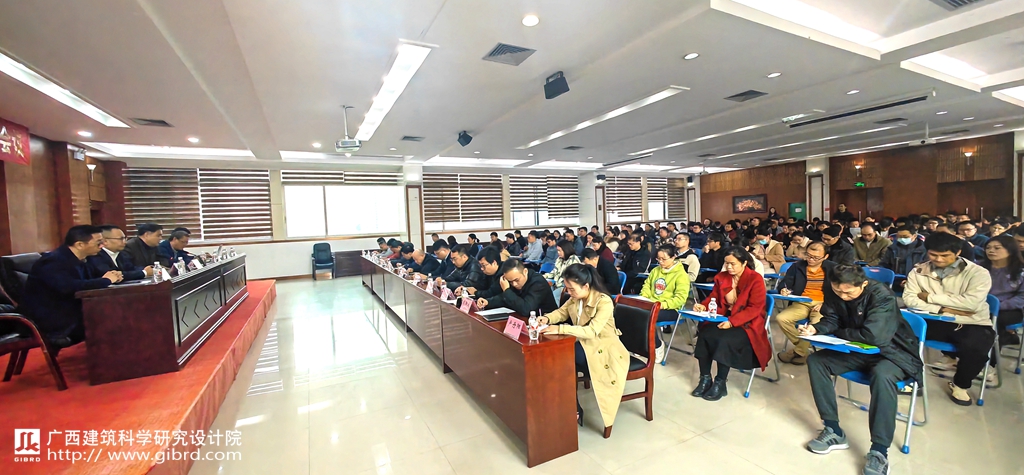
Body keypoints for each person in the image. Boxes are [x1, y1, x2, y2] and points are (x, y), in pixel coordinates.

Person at [800, 265, 923, 475]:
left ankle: (879, 451)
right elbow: (832, 318)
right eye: (838, 291)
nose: (842, 296)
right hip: (858, 350)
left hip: (892, 352)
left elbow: (875, 337)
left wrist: (840, 332)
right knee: (817, 361)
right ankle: (833, 430)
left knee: (882, 375)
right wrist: (816, 328)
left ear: (864, 284)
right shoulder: (834, 289)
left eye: (848, 292)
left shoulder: (882, 295)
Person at [903, 232, 994, 405]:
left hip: (971, 322)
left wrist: (929, 297)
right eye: (933, 254)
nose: (938, 259)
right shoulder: (919, 271)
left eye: (945, 255)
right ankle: (909, 378)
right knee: (897, 332)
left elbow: (971, 304)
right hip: (933, 319)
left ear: (958, 252)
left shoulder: (978, 273)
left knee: (977, 345)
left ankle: (960, 385)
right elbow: (910, 299)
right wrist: (943, 308)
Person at [537, 264, 628, 429]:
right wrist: (547, 319)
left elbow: (592, 331)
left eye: (572, 289)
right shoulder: (575, 298)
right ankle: (569, 404)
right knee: (558, 356)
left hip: (605, 348)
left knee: (562, 358)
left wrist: (560, 329)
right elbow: (562, 312)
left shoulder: (603, 301)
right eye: (567, 288)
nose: (568, 292)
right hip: (585, 343)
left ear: (586, 286)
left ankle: (571, 407)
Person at [18, 225, 123, 347]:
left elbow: (92, 280)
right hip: (53, 317)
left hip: (73, 310)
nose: (102, 246)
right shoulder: (54, 261)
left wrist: (112, 277)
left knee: (119, 314)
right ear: (80, 245)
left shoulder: (84, 259)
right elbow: (69, 287)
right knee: (111, 320)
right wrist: (106, 280)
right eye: (99, 242)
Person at [690, 247, 770, 401]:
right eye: (726, 263)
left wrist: (732, 322)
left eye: (733, 264)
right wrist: (703, 306)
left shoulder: (755, 279)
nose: (729, 267)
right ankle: (705, 378)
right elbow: (714, 297)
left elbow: (755, 308)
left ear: (744, 263)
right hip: (725, 317)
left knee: (724, 339)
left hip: (747, 323)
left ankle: (720, 382)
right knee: (705, 334)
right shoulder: (722, 277)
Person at [776, 242, 835, 365]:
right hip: (802, 302)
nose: (811, 259)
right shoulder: (797, 266)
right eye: (808, 255)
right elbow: (785, 282)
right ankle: (803, 349)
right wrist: (783, 289)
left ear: (826, 256)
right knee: (782, 318)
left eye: (816, 258)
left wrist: (826, 304)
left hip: (823, 304)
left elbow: (839, 292)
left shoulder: (833, 268)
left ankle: (798, 351)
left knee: (815, 325)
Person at [640, 245, 691, 363]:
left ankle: (657, 346)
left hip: (671, 309)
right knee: (632, 312)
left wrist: (661, 305)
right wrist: (644, 298)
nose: (661, 262)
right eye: (658, 259)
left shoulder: (681, 275)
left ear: (673, 257)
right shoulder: (655, 270)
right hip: (652, 305)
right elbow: (646, 286)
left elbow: (680, 299)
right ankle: (641, 346)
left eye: (664, 259)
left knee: (646, 317)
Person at [980, 235, 1024, 346]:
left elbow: (1021, 297)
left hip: (1009, 309)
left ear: (1010, 250)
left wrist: (999, 305)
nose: (991, 251)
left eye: (997, 248)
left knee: (993, 319)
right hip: (978, 304)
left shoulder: (1020, 270)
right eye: (988, 248)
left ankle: (992, 352)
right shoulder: (977, 267)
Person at [477, 258, 558, 316]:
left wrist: (506, 290)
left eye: (516, 280)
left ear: (525, 271)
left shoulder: (538, 283)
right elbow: (505, 298)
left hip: (546, 323)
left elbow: (527, 309)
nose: (514, 284)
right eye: (510, 281)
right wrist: (488, 302)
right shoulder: (512, 279)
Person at [87, 225, 153, 281]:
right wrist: (144, 273)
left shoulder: (122, 254)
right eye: (121, 239)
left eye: (125, 239)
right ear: (105, 241)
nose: (125, 242)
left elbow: (131, 268)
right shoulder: (95, 255)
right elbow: (113, 275)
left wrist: (146, 269)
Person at [878, 224, 928, 290]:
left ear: (914, 236)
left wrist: (910, 281)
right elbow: (884, 265)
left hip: (917, 283)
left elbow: (927, 270)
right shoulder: (892, 249)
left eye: (905, 237)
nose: (902, 239)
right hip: (894, 281)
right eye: (899, 237)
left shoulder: (924, 250)